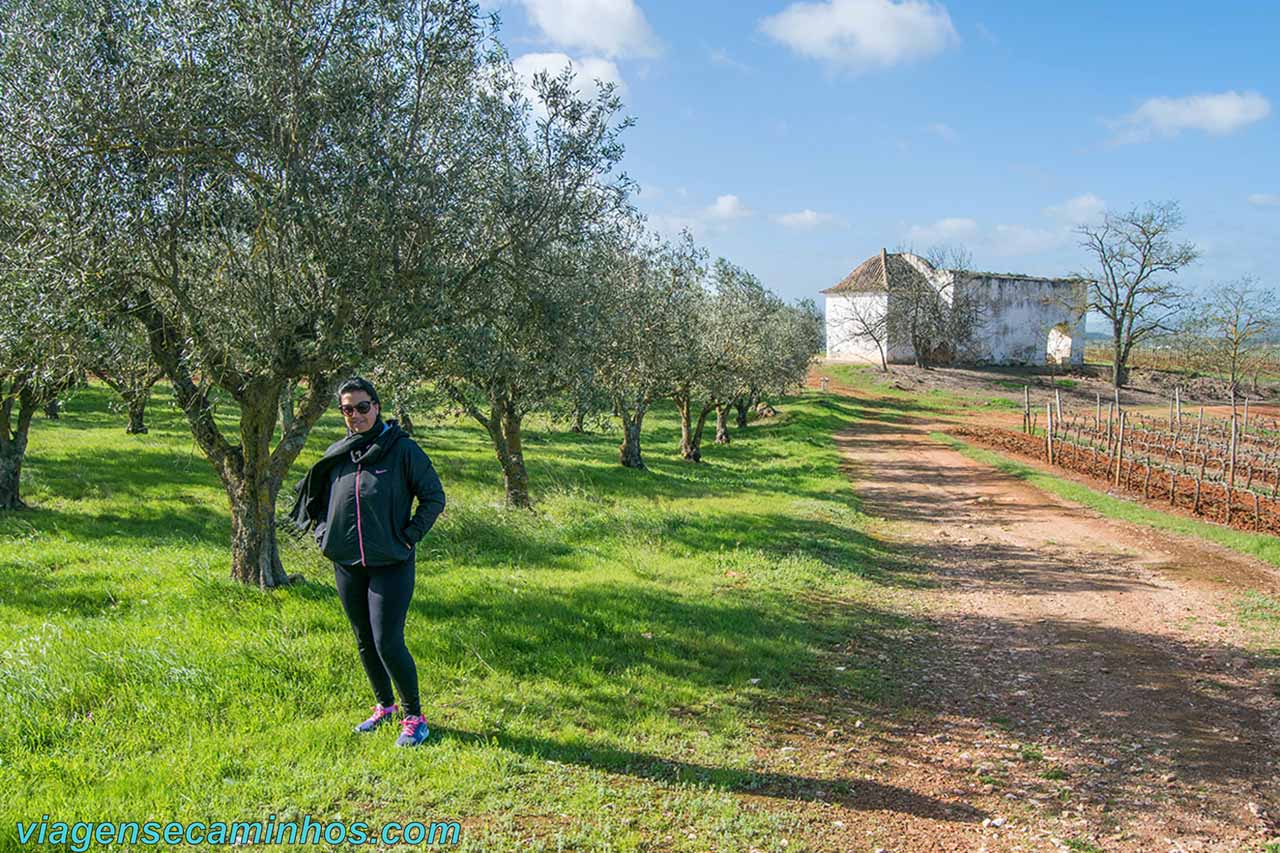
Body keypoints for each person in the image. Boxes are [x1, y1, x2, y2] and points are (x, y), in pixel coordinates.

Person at [290, 377, 445, 748]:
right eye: (347, 409)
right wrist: (324, 534)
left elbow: (433, 498)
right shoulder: (341, 450)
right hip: (347, 562)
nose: (355, 415)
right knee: (363, 639)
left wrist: (407, 537)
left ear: (376, 406)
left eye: (362, 407)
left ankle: (415, 717)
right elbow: (321, 500)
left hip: (391, 561)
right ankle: (385, 706)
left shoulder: (403, 450)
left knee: (387, 640)